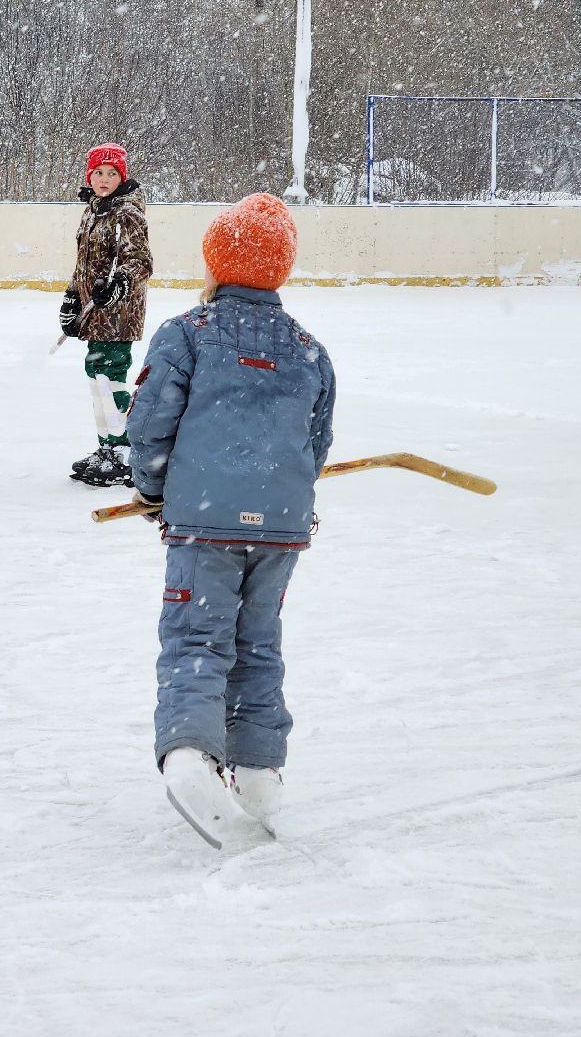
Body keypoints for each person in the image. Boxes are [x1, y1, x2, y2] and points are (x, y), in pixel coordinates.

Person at [125, 193, 336, 849]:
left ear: (216, 262)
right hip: (280, 525)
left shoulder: (186, 333)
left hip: (205, 522)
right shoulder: (309, 350)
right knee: (258, 645)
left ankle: (191, 757)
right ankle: (258, 772)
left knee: (197, 639)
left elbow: (151, 421)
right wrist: (280, 498)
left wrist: (154, 491)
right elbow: (316, 444)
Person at [60, 143, 152, 487]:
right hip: (93, 313)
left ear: (121, 177)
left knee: (110, 378)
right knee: (97, 378)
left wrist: (117, 284)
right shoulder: (94, 209)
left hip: (118, 314)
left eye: (112, 173)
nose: (104, 179)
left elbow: (140, 262)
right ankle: (107, 448)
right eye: (98, 172)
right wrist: (72, 298)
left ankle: (126, 450)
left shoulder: (126, 212)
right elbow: (85, 266)